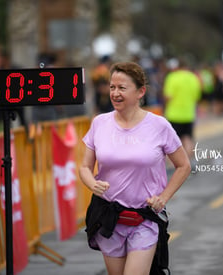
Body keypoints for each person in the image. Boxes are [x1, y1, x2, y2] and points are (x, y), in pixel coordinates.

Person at [79, 61, 191, 275]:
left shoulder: (159, 126)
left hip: (144, 219)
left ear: (141, 92)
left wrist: (163, 198)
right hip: (109, 219)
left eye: (122, 88)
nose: (115, 93)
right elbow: (84, 166)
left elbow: (183, 165)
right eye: (112, 87)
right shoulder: (100, 123)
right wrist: (92, 184)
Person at [163, 58, 202, 162]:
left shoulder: (172, 77)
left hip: (174, 114)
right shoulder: (193, 77)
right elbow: (197, 96)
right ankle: (188, 162)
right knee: (188, 138)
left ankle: (176, 164)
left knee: (174, 141)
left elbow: (168, 96)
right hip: (189, 114)